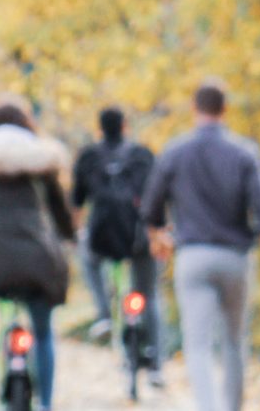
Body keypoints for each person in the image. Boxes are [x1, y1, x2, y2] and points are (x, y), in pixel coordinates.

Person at [141, 80, 260, 411]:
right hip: (235, 258)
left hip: (193, 256)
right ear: (224, 109)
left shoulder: (175, 151)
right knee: (234, 341)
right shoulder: (244, 152)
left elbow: (150, 208)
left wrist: (159, 237)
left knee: (197, 344)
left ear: (194, 108)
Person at [0, 94, 74, 411]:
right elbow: (62, 215)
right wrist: (69, 238)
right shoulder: (43, 165)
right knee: (43, 332)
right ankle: (46, 403)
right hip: (36, 261)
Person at [70, 105, 162, 383]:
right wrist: (158, 233)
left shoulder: (89, 156)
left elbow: (76, 202)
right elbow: (156, 197)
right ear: (125, 126)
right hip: (138, 238)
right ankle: (156, 365)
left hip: (102, 238)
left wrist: (75, 233)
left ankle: (103, 314)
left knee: (87, 258)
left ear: (99, 128)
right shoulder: (142, 155)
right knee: (149, 295)